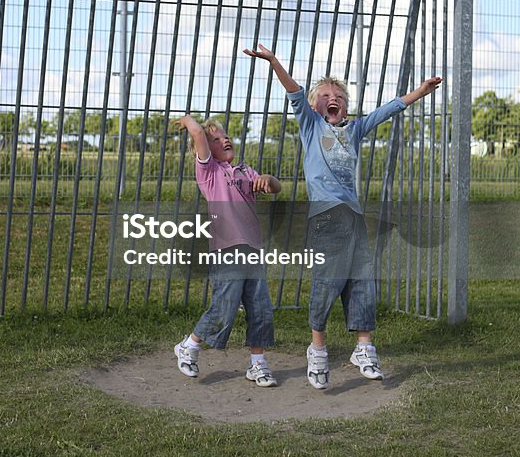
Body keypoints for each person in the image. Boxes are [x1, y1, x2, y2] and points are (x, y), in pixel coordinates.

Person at [243, 44, 441, 390]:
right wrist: (275, 61)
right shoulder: (310, 126)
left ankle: (364, 349)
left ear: (346, 106)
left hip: (353, 219)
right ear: (315, 105)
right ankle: (317, 350)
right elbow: (294, 91)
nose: (332, 98)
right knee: (328, 282)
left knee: (362, 281)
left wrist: (420, 93)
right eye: (325, 95)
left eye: (339, 96)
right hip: (326, 219)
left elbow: (388, 110)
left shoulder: (355, 130)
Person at [171, 115, 282, 387]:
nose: (225, 140)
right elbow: (197, 134)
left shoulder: (245, 171)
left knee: (261, 309)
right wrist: (188, 121)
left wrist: (268, 179)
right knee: (224, 307)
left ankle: (258, 365)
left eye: (225, 136)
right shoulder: (209, 173)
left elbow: (276, 187)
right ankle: (190, 346)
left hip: (252, 250)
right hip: (226, 250)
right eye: (216, 139)